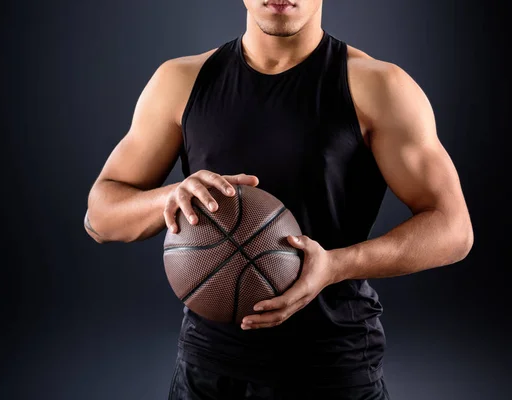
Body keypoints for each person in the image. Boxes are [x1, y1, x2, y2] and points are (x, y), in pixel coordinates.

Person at [83, 0, 474, 398]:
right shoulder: (180, 81)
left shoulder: (378, 86)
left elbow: (454, 229)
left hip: (332, 366)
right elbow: (99, 217)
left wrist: (336, 265)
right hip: (208, 369)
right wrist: (171, 196)